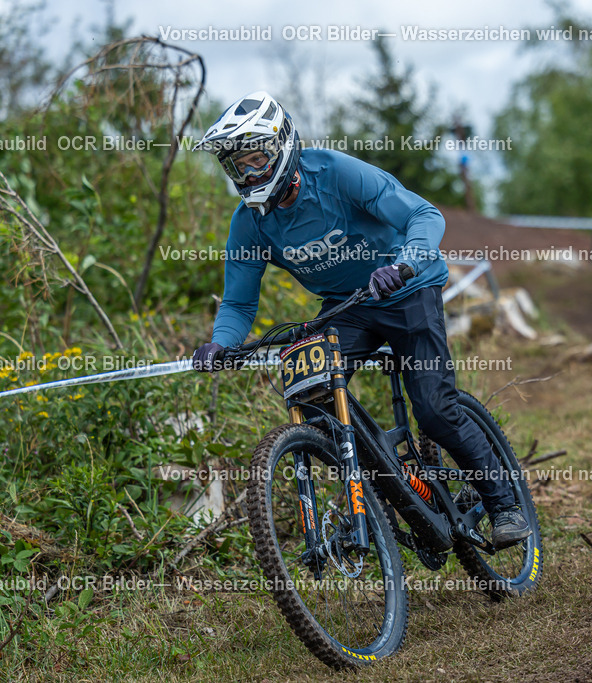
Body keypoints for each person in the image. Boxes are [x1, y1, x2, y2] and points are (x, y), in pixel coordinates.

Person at [190, 92, 530, 549]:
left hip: (408, 289)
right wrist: (220, 343)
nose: (248, 174)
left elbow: (423, 215)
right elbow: (237, 305)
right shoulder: (249, 223)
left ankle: (502, 502)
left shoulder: (334, 174)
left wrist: (405, 263)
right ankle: (389, 486)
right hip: (345, 306)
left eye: (256, 160)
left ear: (283, 145)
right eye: (237, 167)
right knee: (312, 397)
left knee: (432, 409)